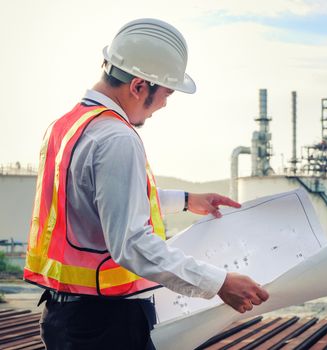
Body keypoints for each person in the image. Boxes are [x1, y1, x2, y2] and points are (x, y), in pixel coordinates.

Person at [23, 18, 269, 350]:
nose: (165, 105)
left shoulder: (66, 126)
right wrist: (219, 282)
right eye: (166, 93)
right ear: (139, 86)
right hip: (103, 325)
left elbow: (94, 201)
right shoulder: (117, 138)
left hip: (64, 317)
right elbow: (131, 243)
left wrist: (185, 199)